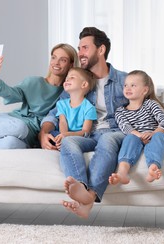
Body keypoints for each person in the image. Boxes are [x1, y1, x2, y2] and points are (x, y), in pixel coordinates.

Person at [39, 27, 128, 218]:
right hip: (86, 134)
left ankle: (90, 195)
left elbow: (146, 106)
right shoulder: (78, 80)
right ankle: (82, 188)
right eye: (79, 48)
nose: (80, 53)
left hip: (113, 132)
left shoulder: (124, 80)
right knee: (68, 141)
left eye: (85, 48)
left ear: (101, 50)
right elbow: (54, 112)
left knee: (107, 140)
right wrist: (43, 133)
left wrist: (163, 130)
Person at [108, 70, 164, 185]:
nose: (128, 88)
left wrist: (154, 133)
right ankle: (122, 172)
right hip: (137, 138)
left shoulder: (150, 104)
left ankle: (153, 168)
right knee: (129, 138)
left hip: (155, 138)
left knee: (159, 136)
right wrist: (140, 136)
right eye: (126, 85)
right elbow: (125, 127)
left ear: (145, 90)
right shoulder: (120, 111)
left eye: (133, 85)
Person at [50, 67, 97, 149]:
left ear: (84, 84)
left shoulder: (89, 108)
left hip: (80, 136)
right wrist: (63, 136)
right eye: (66, 78)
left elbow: (85, 131)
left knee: (88, 141)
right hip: (64, 133)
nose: (67, 80)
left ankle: (65, 145)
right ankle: (61, 145)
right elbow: (63, 122)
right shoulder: (61, 104)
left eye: (72, 77)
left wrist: (67, 135)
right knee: (52, 134)